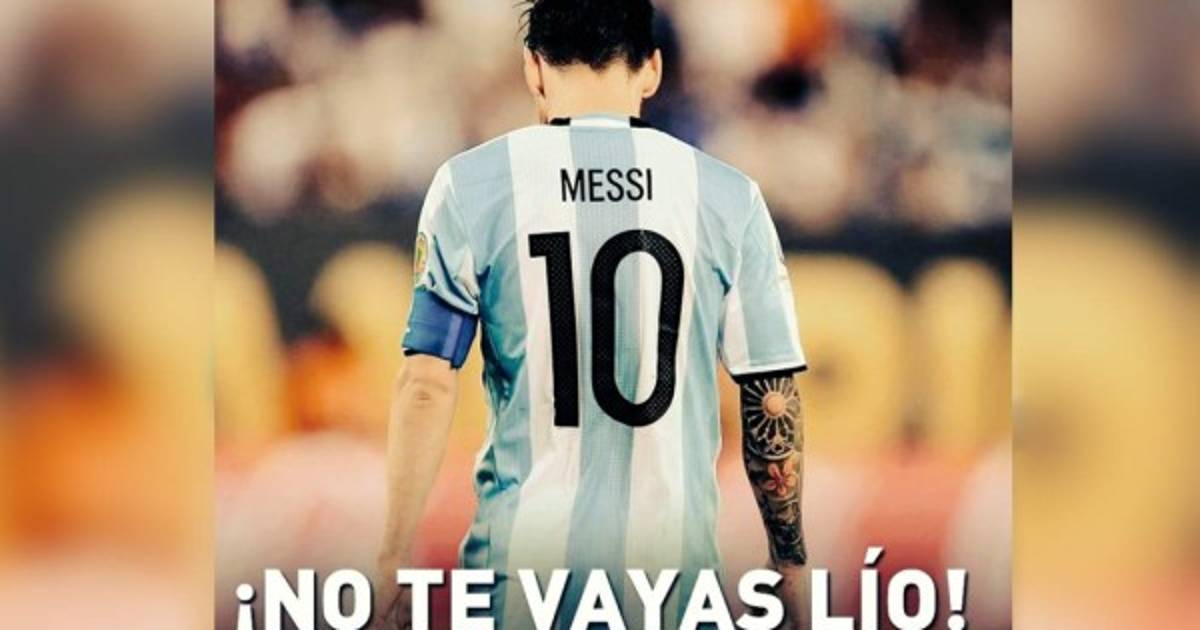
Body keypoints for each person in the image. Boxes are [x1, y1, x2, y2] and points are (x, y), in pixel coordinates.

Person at [375, 1, 810, 627]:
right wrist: (789, 561)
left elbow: (426, 382)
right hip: (673, 590)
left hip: (521, 581)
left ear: (534, 69)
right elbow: (769, 394)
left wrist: (393, 556)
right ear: (651, 70)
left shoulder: (472, 184)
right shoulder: (727, 197)